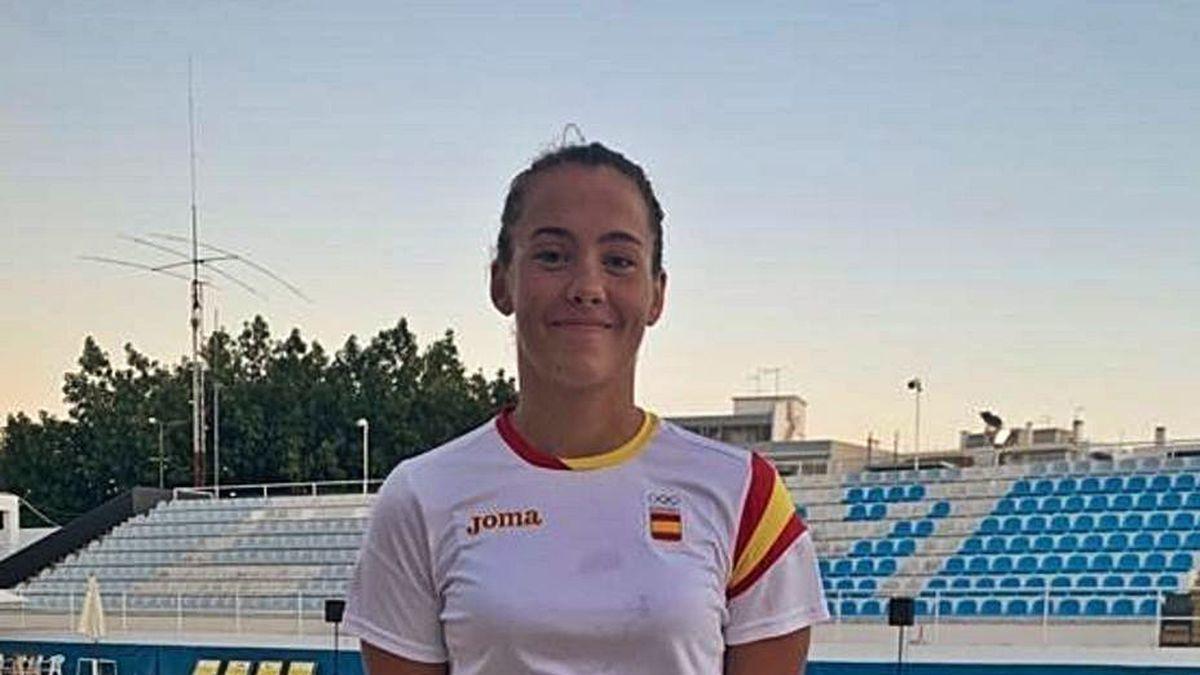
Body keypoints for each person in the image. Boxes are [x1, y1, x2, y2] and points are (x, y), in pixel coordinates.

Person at [344, 142, 829, 675]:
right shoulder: (420, 497)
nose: (588, 287)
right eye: (553, 256)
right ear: (501, 280)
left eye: (619, 261)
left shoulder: (745, 495)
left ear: (656, 294)